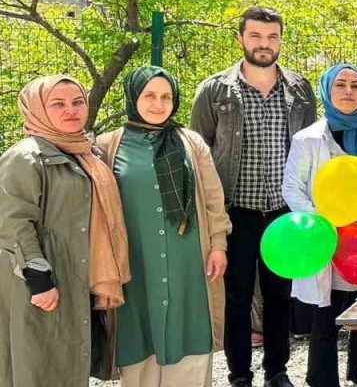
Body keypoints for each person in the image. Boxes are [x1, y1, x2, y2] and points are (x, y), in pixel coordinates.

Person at [190, 6, 317, 387]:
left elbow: (309, 149)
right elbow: (199, 151)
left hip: (284, 212)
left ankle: (277, 371)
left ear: (280, 40)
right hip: (236, 212)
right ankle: (239, 374)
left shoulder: (300, 89)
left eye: (272, 36)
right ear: (241, 39)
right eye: (256, 36)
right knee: (237, 296)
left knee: (280, 293)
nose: (265, 44)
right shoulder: (215, 90)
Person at [97, 67, 232, 387]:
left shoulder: (190, 142)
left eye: (166, 97)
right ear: (133, 97)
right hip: (135, 263)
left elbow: (213, 197)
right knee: (137, 336)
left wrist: (218, 244)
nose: (158, 104)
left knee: (190, 332)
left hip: (190, 261)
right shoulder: (107, 146)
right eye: (149, 96)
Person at [0, 76, 129, 386]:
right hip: (39, 280)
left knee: (69, 360)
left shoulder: (86, 153)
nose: (71, 110)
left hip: (75, 275)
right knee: (38, 364)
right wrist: (39, 279)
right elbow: (13, 223)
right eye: (58, 104)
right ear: (37, 108)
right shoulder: (26, 157)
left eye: (77, 102)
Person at [282, 63, 357, 387]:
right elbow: (291, 188)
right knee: (326, 316)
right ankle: (321, 379)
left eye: (356, 85)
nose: (348, 91)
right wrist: (319, 220)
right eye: (340, 85)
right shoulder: (308, 138)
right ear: (327, 90)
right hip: (327, 238)